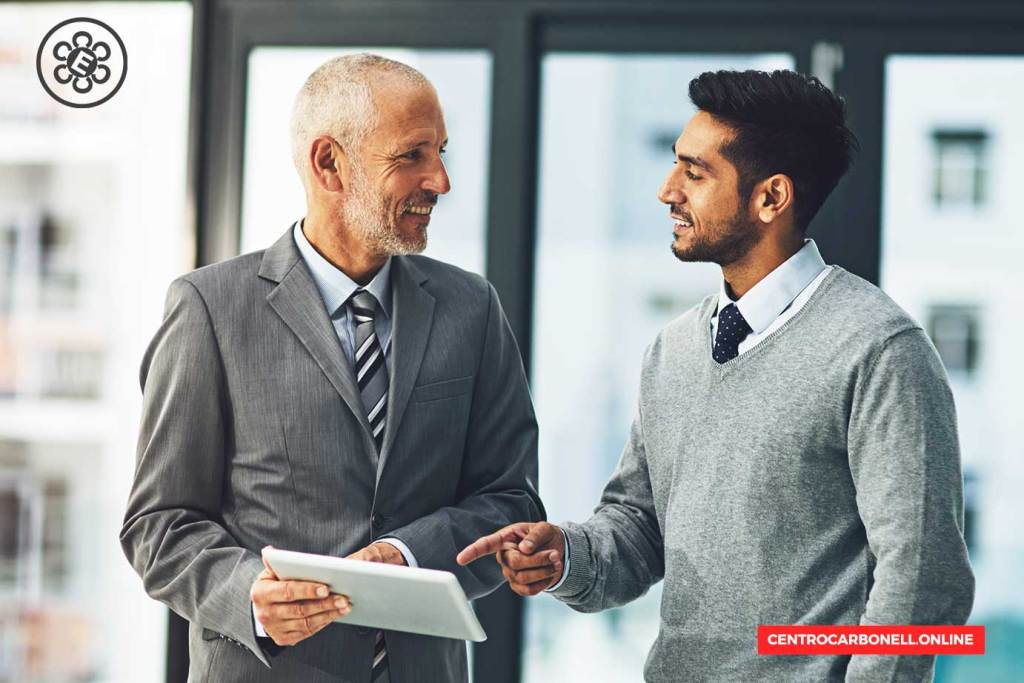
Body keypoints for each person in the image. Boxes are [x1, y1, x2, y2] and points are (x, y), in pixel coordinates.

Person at [457, 69, 974, 682]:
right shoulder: (673, 349)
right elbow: (640, 527)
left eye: (694, 173)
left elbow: (922, 576)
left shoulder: (880, 349)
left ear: (770, 197)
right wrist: (566, 555)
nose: (666, 191)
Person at [121, 53, 542, 682]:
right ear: (329, 163)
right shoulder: (210, 307)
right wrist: (250, 597)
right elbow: (158, 524)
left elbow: (510, 500)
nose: (441, 182)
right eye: (413, 156)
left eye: (442, 153)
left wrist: (406, 554)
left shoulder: (471, 308)